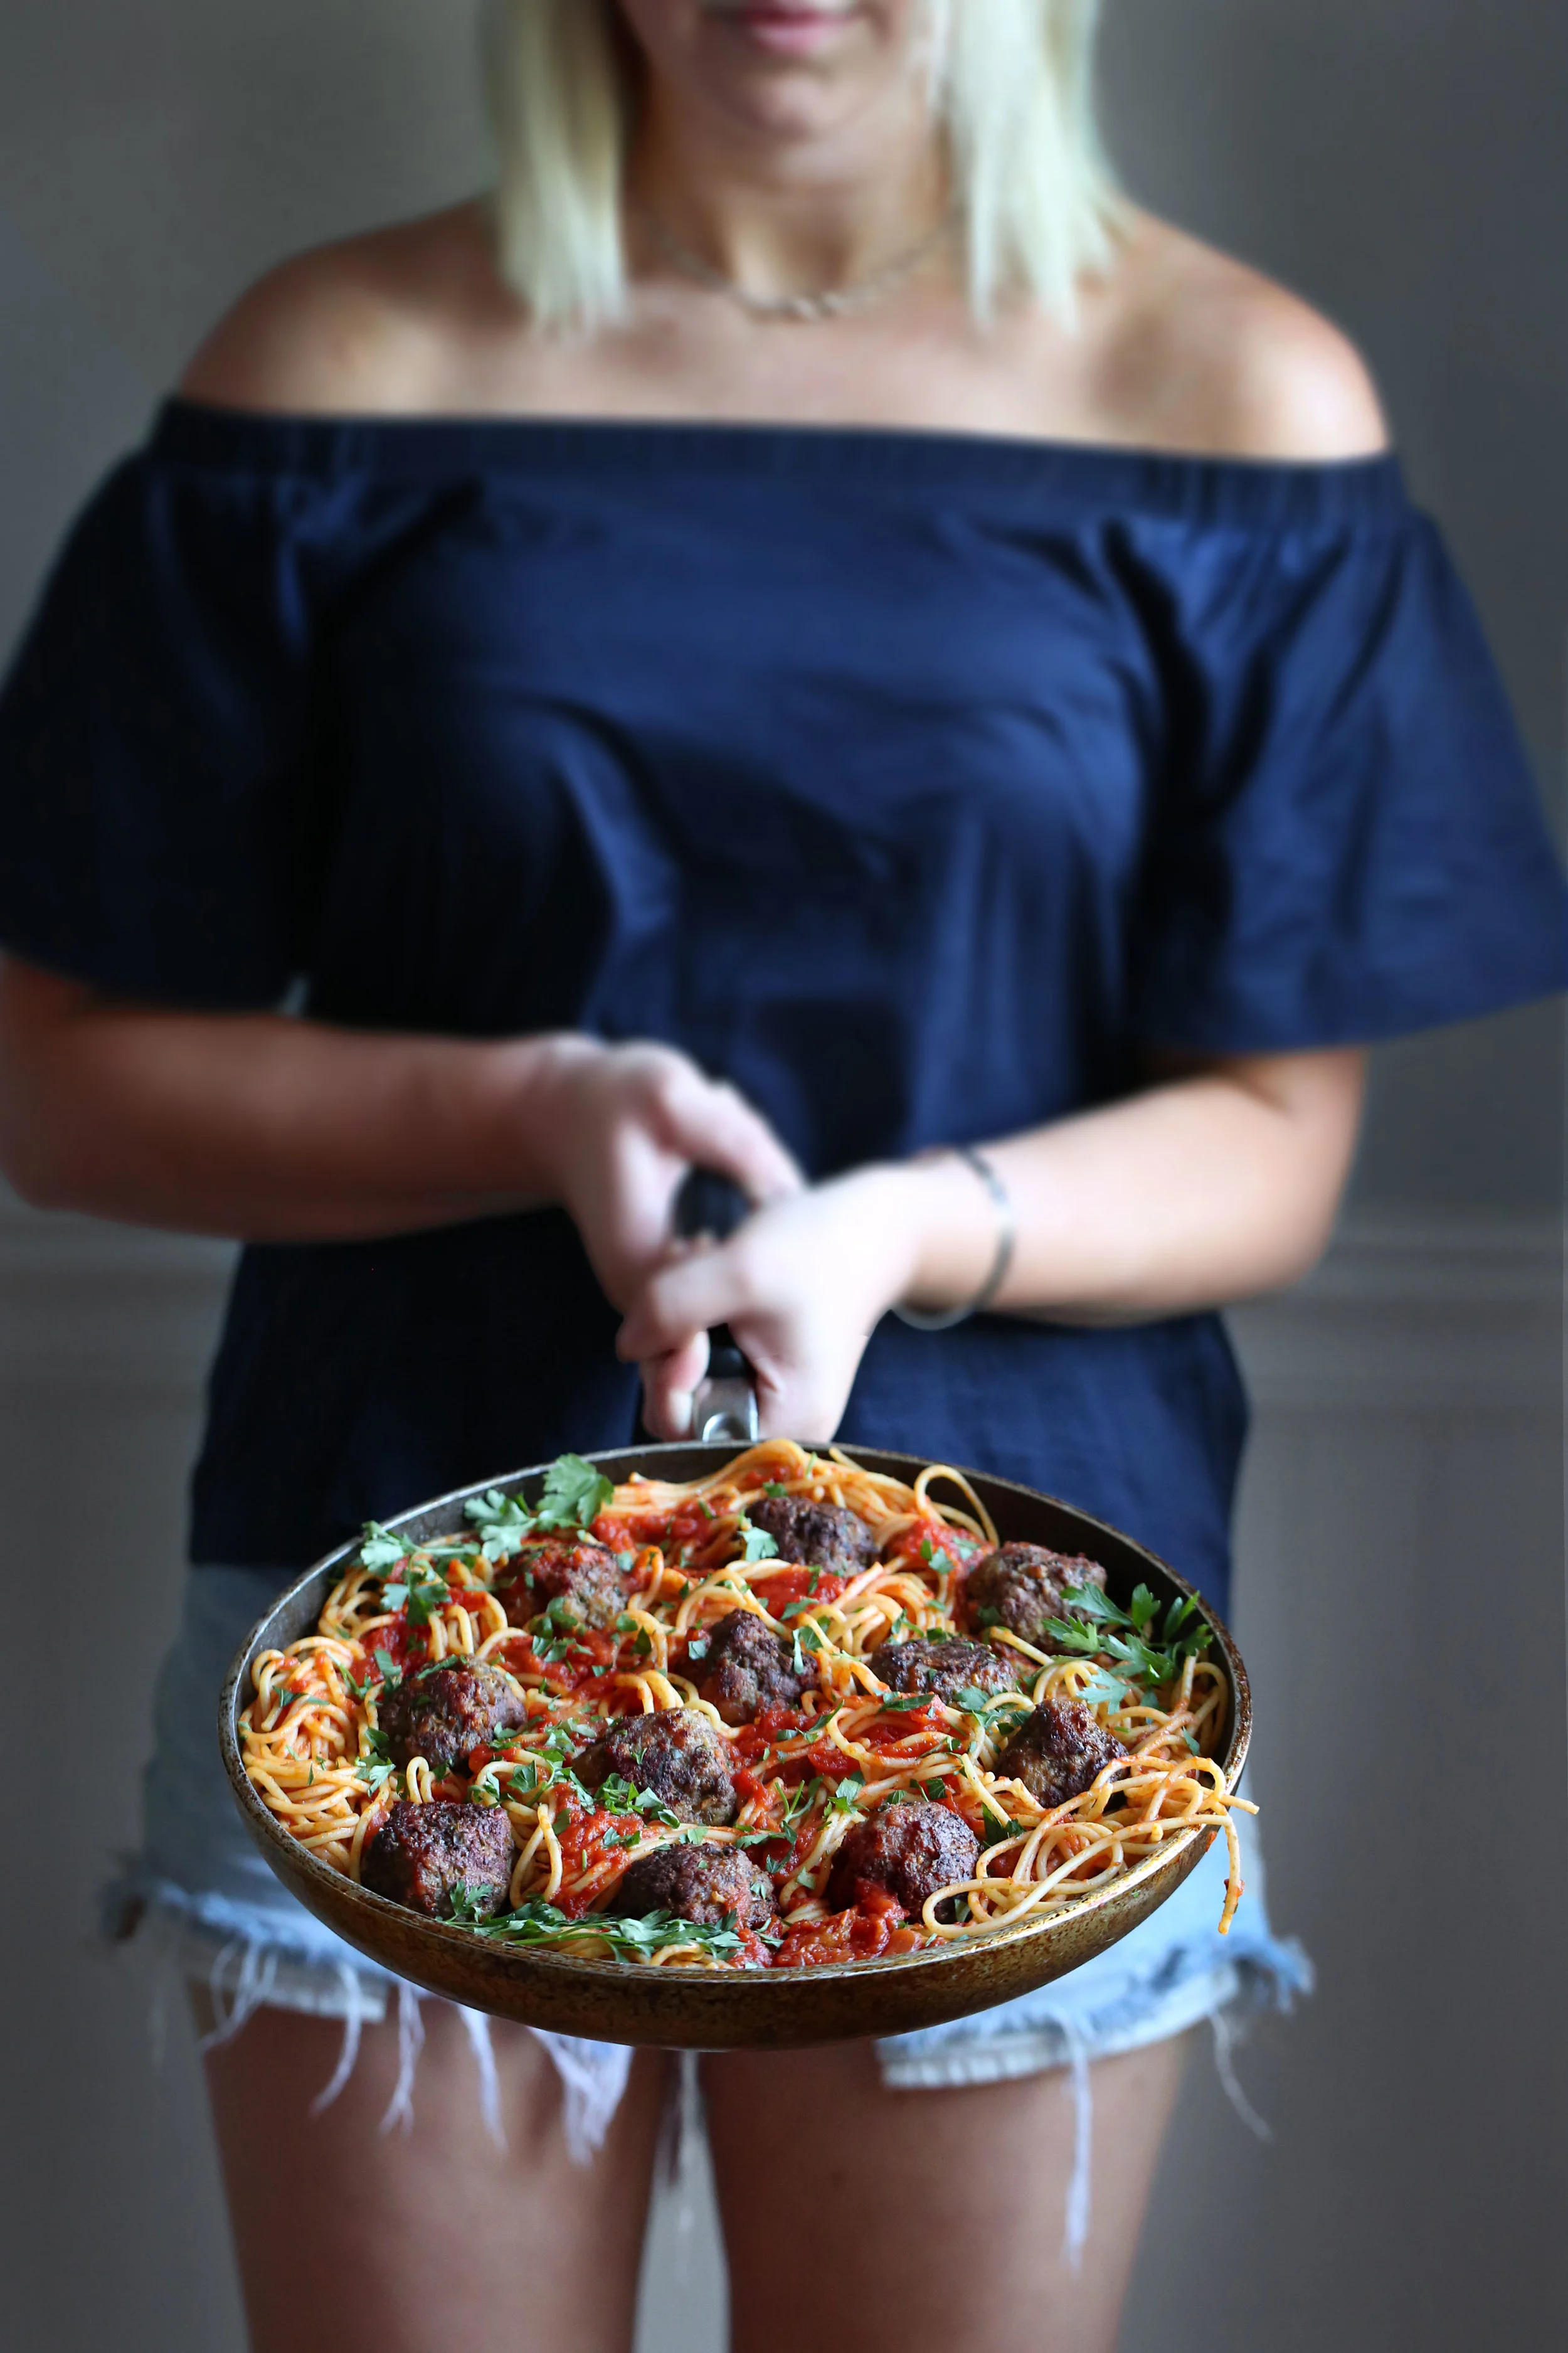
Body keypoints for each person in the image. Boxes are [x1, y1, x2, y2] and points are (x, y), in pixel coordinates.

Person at [0, 3, 1562, 2349]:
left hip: (1010, 1643)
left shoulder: (1232, 394)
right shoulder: (342, 361)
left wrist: (904, 1227)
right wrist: (531, 1106)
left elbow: (1273, 1142)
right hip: (389, 1602)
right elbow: (65, 1077)